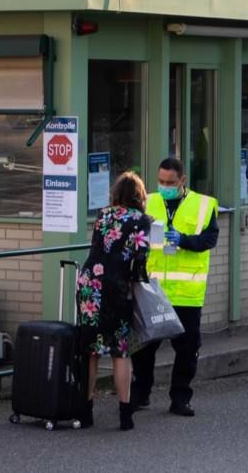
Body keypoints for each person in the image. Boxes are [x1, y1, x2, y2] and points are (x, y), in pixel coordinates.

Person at [131, 157, 219, 417]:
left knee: (188, 348)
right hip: (153, 289)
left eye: (170, 182)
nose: (164, 186)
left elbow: (209, 239)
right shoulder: (149, 201)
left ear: (183, 180)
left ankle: (180, 398)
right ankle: (141, 393)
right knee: (144, 347)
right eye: (161, 181)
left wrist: (184, 240)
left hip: (186, 293)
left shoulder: (203, 205)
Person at [76, 171, 151, 431]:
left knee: (91, 350)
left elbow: (98, 246)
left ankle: (85, 411)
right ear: (139, 195)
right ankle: (125, 414)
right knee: (120, 351)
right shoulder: (141, 220)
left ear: (116, 193)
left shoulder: (103, 214)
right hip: (116, 286)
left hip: (90, 282)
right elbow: (140, 257)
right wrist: (139, 281)